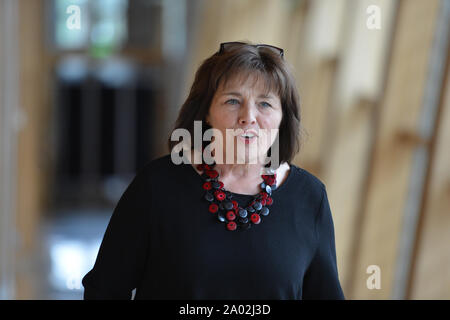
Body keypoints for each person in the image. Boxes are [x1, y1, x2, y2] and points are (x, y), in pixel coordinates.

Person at [82, 41, 345, 300]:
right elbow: (104, 290)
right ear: (206, 113)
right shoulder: (157, 187)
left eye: (265, 104)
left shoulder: (310, 198)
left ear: (283, 117)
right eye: (232, 101)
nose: (248, 117)